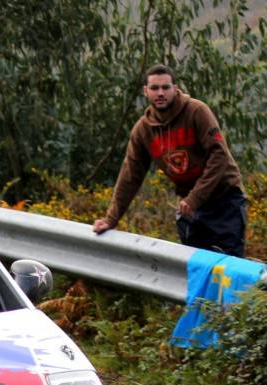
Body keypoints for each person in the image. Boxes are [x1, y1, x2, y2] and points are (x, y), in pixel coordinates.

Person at [94, 64, 247, 258]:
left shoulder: (196, 111)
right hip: (190, 208)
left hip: (224, 200)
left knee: (229, 267)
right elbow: (130, 175)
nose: (160, 93)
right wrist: (111, 219)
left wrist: (195, 198)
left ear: (175, 88)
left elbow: (219, 156)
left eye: (166, 88)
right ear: (145, 91)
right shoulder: (143, 130)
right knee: (197, 269)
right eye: (154, 88)